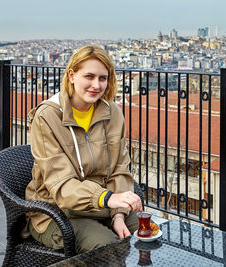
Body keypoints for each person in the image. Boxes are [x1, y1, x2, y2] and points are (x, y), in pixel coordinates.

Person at [25, 45, 142, 253]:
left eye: (103, 78)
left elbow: (120, 170)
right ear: (71, 75)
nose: (96, 85)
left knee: (148, 237)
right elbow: (60, 184)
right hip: (56, 211)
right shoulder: (48, 117)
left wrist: (119, 213)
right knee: (108, 248)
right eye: (89, 76)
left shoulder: (112, 113)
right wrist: (108, 198)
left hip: (102, 205)